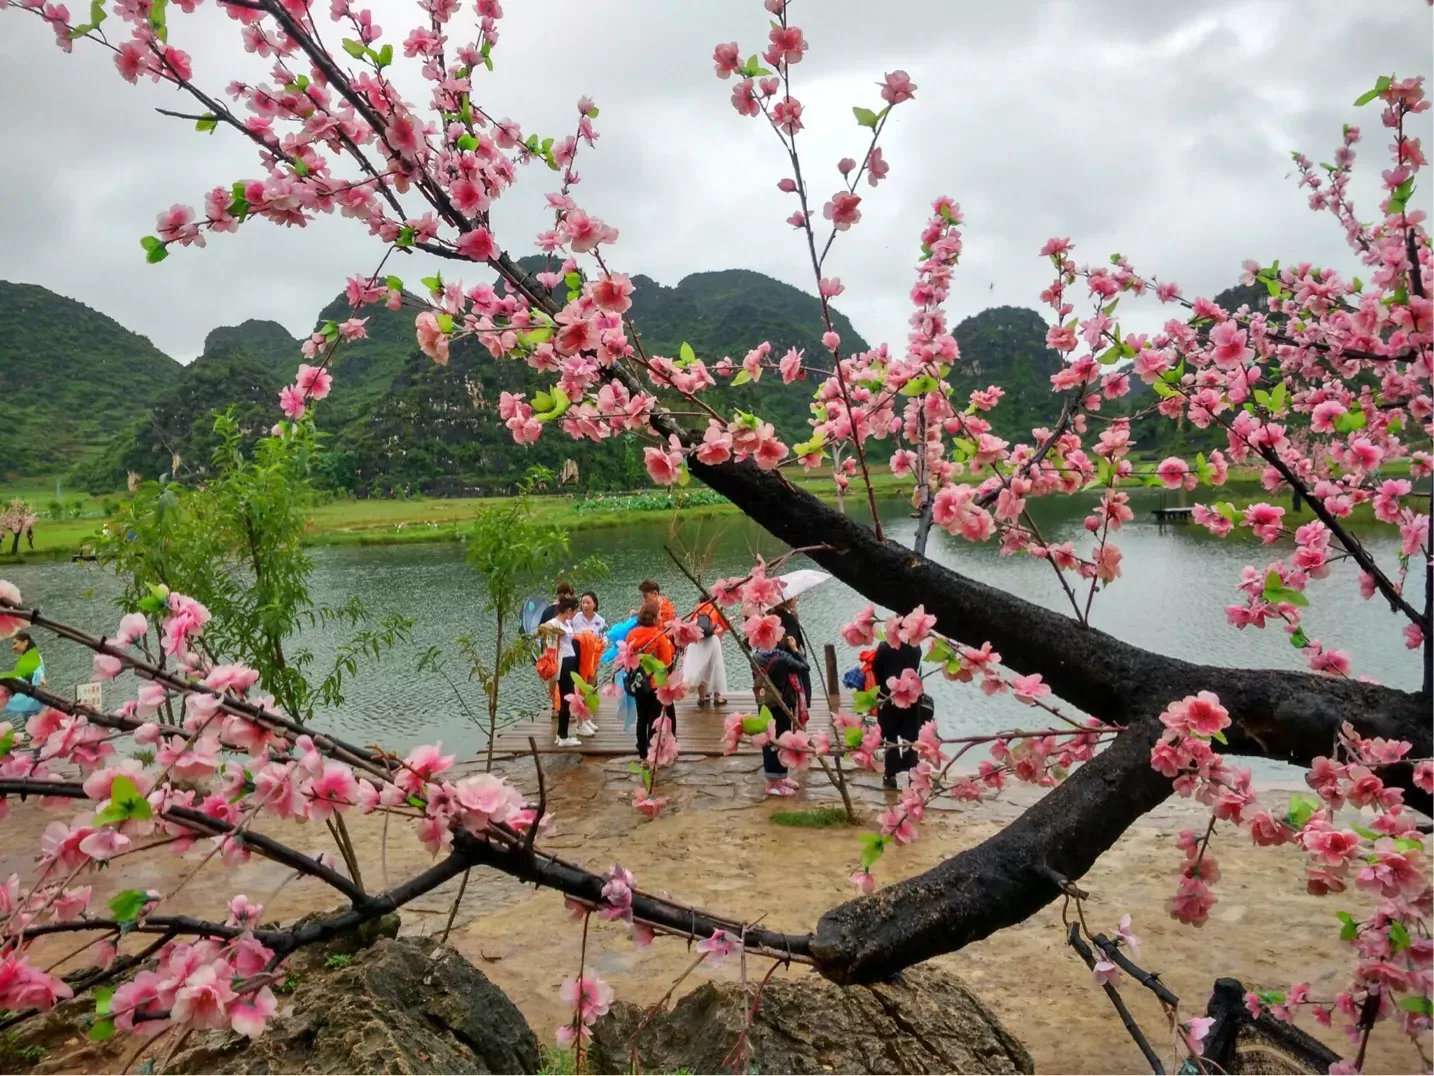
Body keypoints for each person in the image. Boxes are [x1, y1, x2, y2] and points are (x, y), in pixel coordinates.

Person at [872, 637, 934, 789]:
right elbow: (916, 667)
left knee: (890, 735)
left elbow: (876, 669)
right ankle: (912, 773)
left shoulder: (884, 646)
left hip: (888, 697)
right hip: (910, 698)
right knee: (910, 736)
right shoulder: (915, 647)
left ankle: (890, 774)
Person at [752, 645, 809, 797]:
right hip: (780, 704)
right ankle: (772, 783)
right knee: (777, 741)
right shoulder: (782, 657)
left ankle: (781, 777)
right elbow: (804, 667)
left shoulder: (757, 655)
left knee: (775, 740)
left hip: (765, 703)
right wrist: (796, 650)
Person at [624, 602, 675, 762]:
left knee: (642, 718)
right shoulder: (659, 636)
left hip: (639, 682)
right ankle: (652, 754)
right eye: (659, 615)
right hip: (654, 684)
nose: (661, 617)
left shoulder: (632, 634)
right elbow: (666, 662)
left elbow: (628, 655)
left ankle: (642, 754)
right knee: (653, 719)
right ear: (653, 618)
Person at [539, 596, 591, 747]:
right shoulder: (554, 623)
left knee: (567, 698)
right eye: (574, 611)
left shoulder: (567, 623)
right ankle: (563, 736)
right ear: (568, 610)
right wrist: (557, 631)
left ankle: (560, 734)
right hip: (563, 663)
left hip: (570, 661)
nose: (575, 614)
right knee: (566, 699)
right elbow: (542, 627)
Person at [681, 598, 729, 707]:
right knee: (715, 667)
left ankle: (702, 697)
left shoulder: (697, 609)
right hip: (712, 640)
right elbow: (726, 626)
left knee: (700, 667)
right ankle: (717, 697)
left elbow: (691, 625)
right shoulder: (715, 609)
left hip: (697, 642)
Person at [772, 596, 812, 705]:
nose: (796, 599)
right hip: (791, 660)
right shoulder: (788, 618)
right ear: (787, 601)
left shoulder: (772, 616)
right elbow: (794, 640)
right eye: (794, 598)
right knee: (797, 692)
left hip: (777, 662)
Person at [1, 632, 46, 719]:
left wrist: (41, 678)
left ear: (25, 642)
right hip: (27, 699)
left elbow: (38, 668)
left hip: (33, 700)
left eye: (15, 643)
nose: (13, 647)